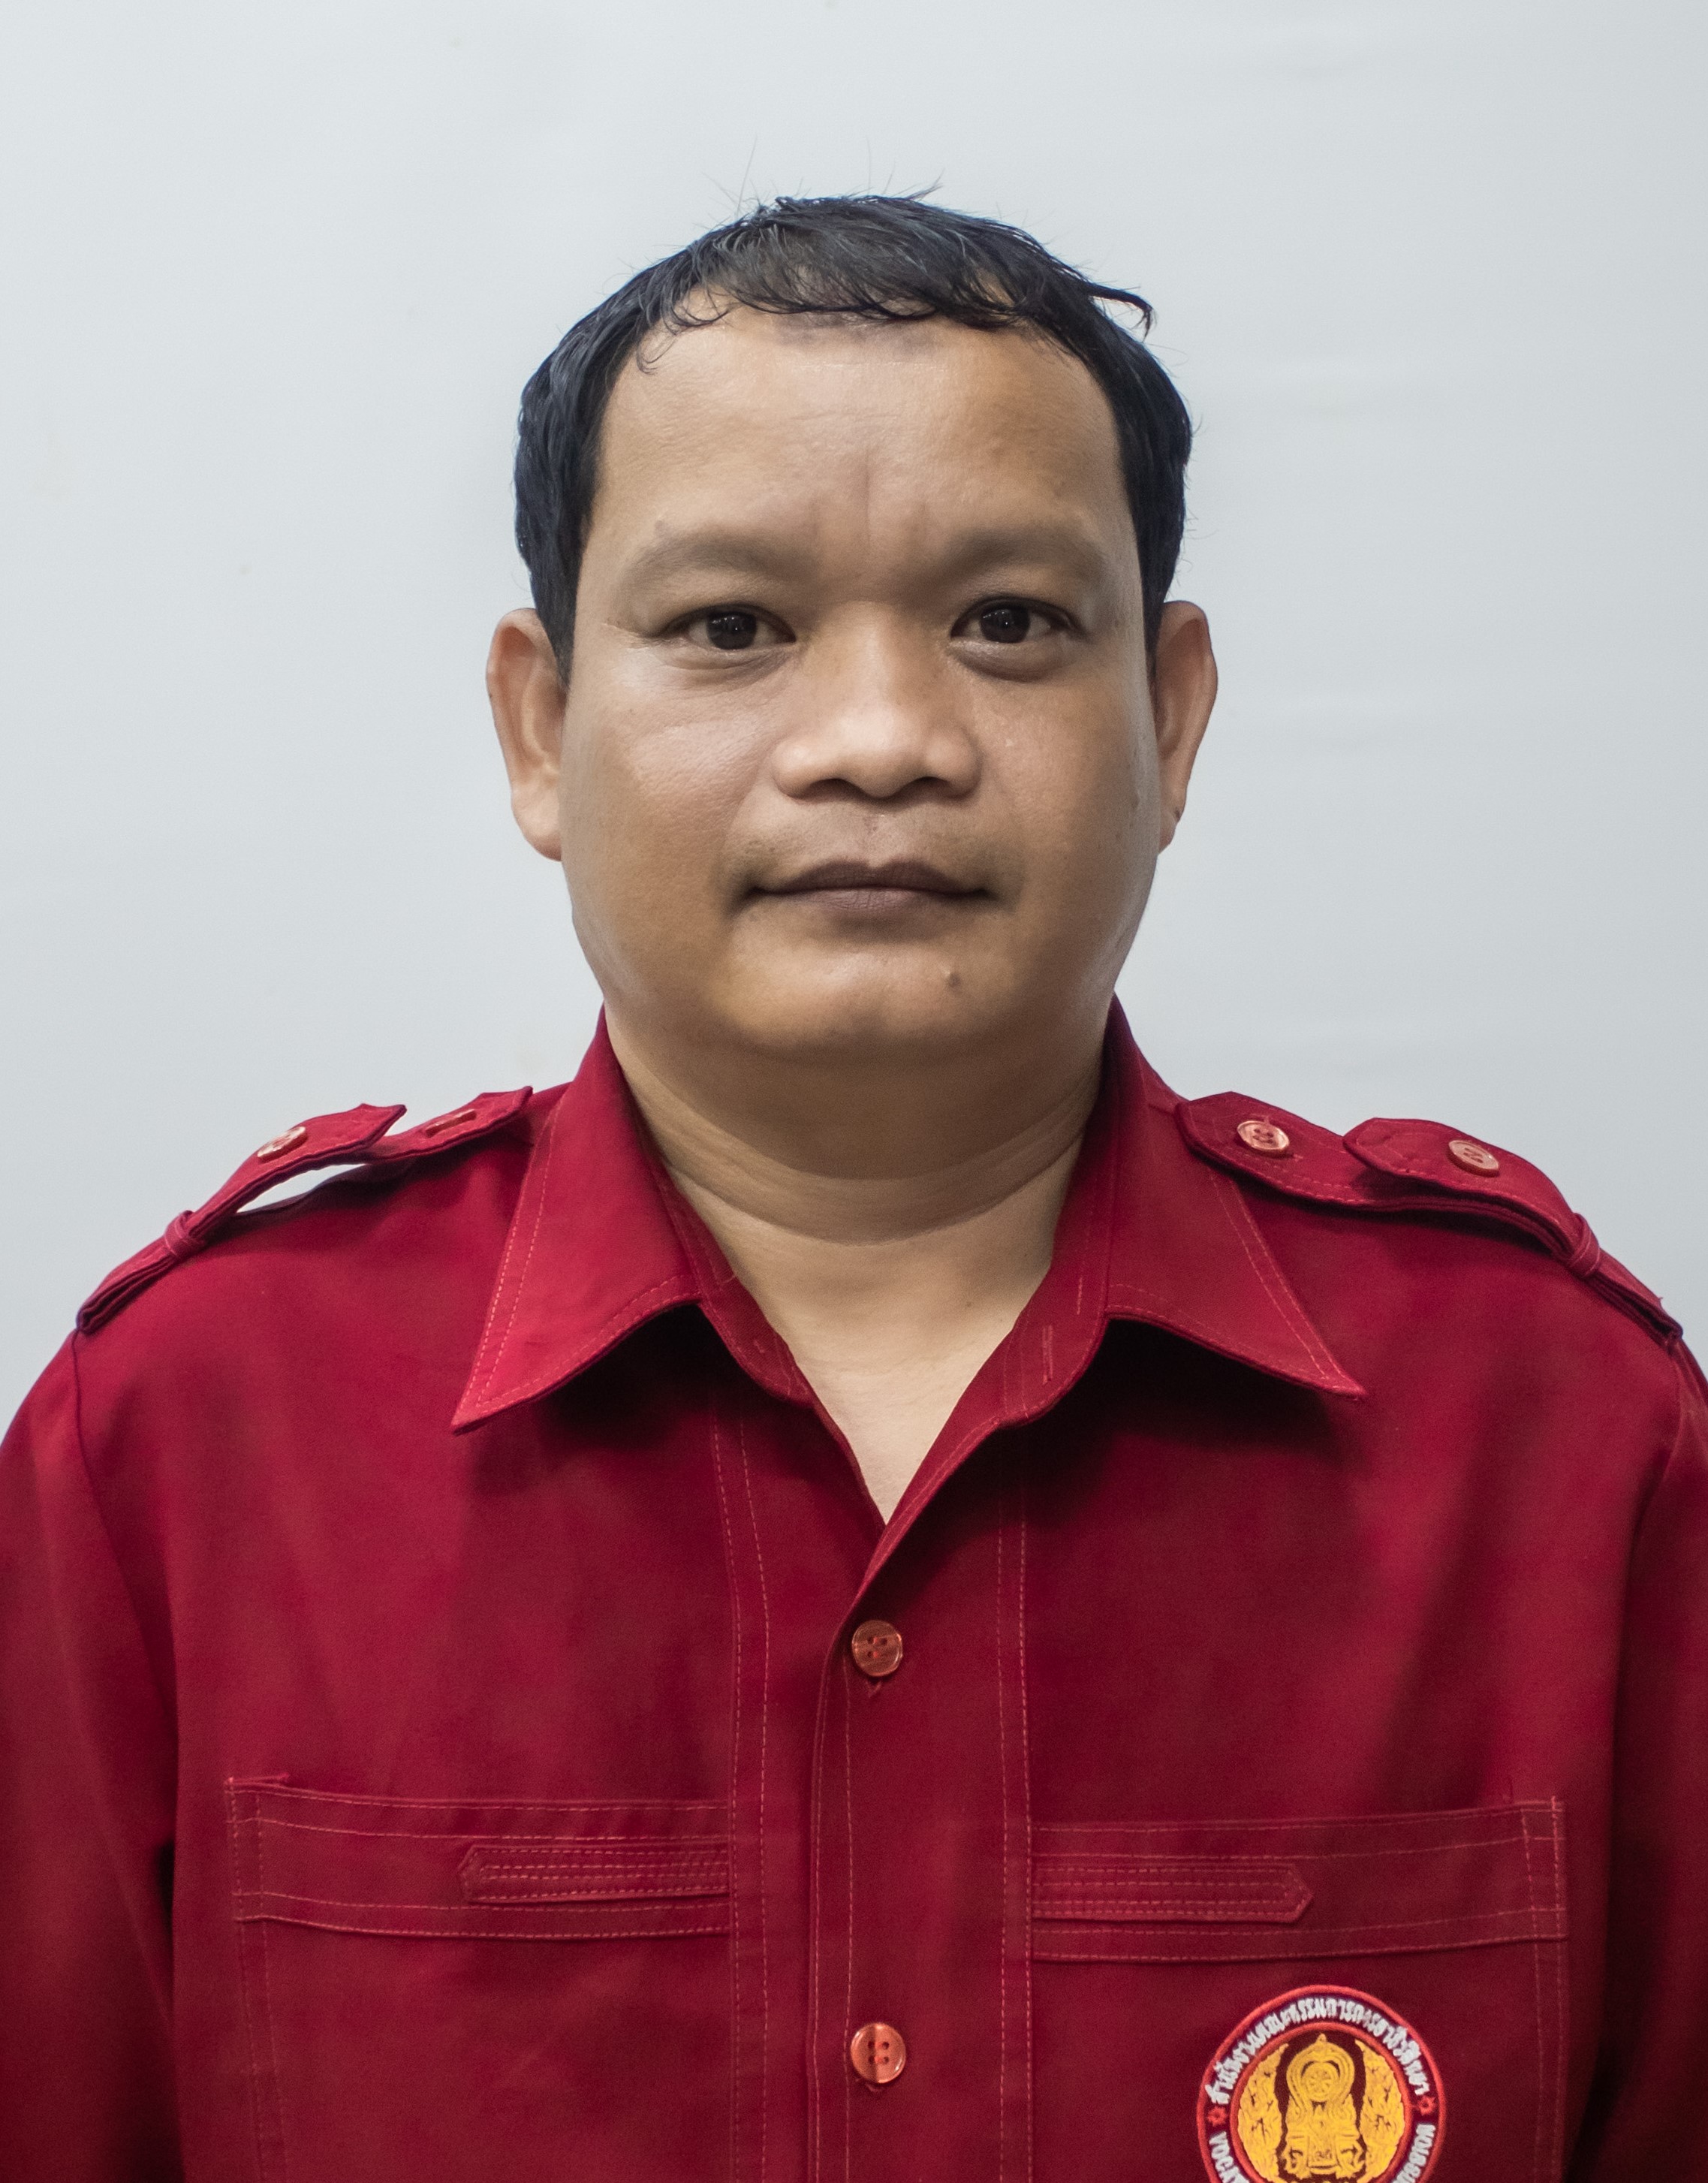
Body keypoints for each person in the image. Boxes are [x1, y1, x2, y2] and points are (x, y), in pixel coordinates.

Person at [1, 194, 1702, 2183]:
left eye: (1009, 623)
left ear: (1169, 718)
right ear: (542, 726)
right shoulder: (187, 1441)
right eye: (733, 627)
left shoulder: (1558, 1443)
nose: (882, 742)